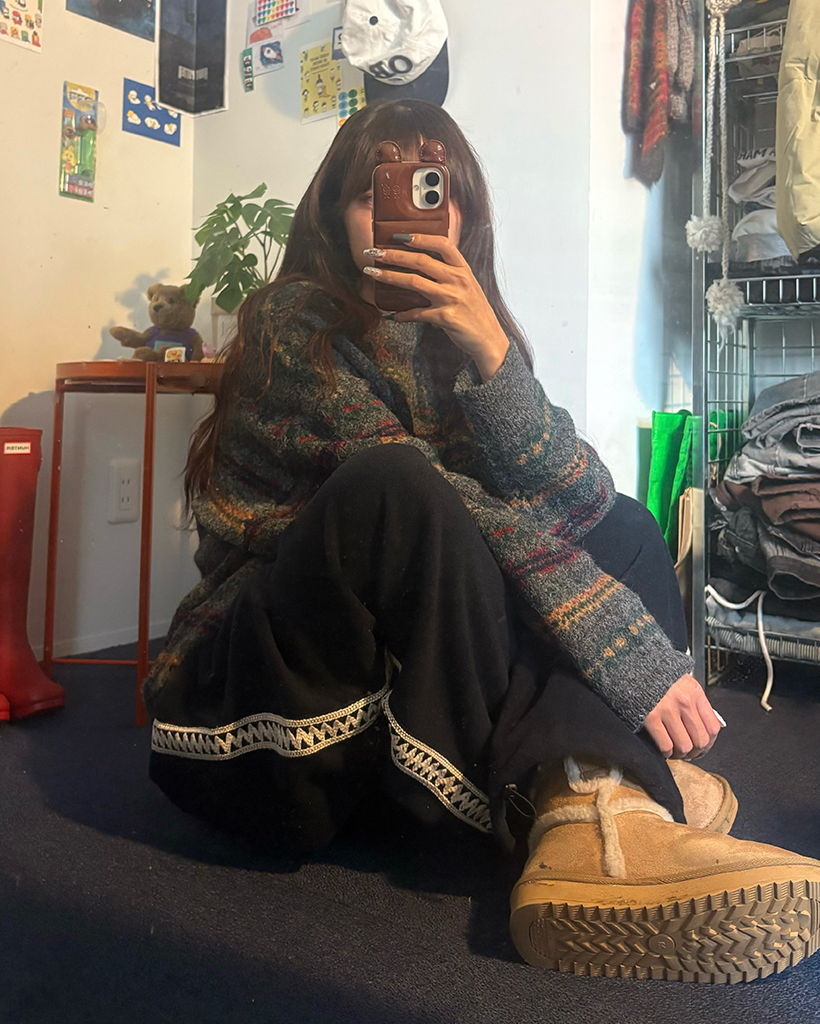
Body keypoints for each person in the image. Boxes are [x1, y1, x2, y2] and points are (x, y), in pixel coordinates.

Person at [145, 99, 820, 984]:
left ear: (465, 213)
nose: (407, 211)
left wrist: (495, 358)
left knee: (620, 520)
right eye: (374, 192)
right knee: (401, 485)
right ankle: (605, 786)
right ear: (334, 215)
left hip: (400, 723)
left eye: (435, 189)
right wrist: (613, 638)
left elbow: (578, 499)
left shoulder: (467, 338)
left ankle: (588, 809)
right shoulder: (289, 322)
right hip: (270, 715)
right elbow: (440, 502)